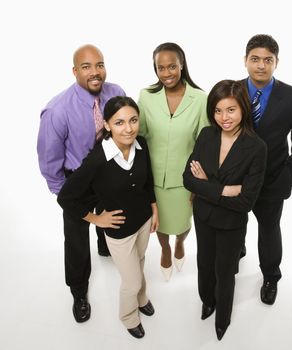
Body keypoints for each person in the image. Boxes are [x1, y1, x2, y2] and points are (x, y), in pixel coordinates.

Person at [37, 44, 126, 323]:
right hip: (77, 179)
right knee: (76, 239)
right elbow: (49, 163)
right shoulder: (57, 110)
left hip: (110, 170)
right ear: (75, 71)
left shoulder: (116, 92)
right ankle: (78, 291)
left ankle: (104, 244)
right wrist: (66, 196)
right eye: (86, 67)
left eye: (99, 64)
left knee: (112, 216)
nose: (95, 72)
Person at [57, 96, 159, 338]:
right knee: (131, 281)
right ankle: (128, 316)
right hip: (119, 231)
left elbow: (148, 181)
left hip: (144, 220)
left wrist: (154, 209)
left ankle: (142, 298)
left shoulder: (141, 144)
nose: (129, 128)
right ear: (107, 125)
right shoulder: (97, 160)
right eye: (120, 122)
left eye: (133, 120)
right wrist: (96, 219)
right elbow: (66, 197)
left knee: (141, 262)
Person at [183, 80, 267, 341]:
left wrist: (206, 185)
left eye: (231, 110)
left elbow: (246, 202)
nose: (224, 117)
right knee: (204, 264)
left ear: (242, 108)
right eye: (218, 111)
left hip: (232, 222)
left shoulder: (256, 147)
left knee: (225, 269)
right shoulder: (207, 135)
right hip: (204, 217)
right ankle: (207, 301)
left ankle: (223, 318)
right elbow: (187, 178)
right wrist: (223, 189)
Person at [242, 34, 292, 305]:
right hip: (236, 178)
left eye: (267, 60)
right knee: (235, 223)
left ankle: (271, 275)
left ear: (276, 62)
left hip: (273, 178)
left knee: (269, 228)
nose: (261, 65)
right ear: (245, 61)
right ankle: (238, 250)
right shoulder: (232, 90)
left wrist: (291, 173)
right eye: (255, 59)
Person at [137, 42, 208, 281]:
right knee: (161, 223)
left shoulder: (199, 98)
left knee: (183, 222)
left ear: (182, 65)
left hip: (185, 178)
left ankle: (180, 243)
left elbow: (204, 142)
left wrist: (199, 182)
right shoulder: (146, 97)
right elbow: (140, 135)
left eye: (172, 67)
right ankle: (166, 248)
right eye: (161, 68)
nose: (166, 73)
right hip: (154, 176)